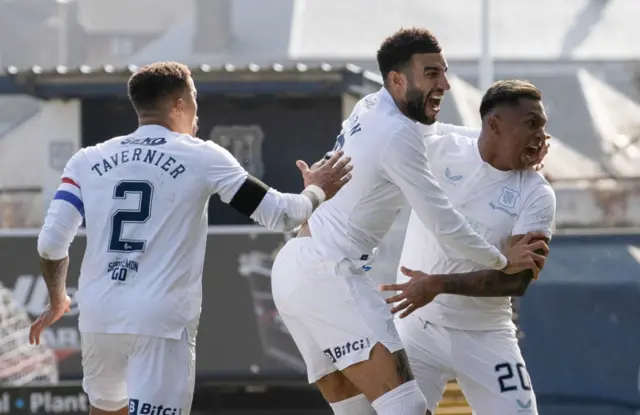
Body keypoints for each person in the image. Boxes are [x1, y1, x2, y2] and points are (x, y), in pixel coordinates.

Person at [28, 61, 353, 415]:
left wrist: (59, 298)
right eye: (195, 99)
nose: (198, 111)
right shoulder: (202, 155)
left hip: (99, 316)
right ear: (180, 105)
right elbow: (281, 214)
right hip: (161, 322)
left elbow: (50, 244)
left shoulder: (87, 160)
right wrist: (317, 191)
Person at [270, 28, 548, 415]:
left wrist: (519, 141)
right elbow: (445, 226)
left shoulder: (370, 106)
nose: (445, 84)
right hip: (332, 273)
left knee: (358, 411)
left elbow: (450, 137)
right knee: (407, 407)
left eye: (444, 72)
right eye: (432, 73)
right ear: (398, 79)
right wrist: (502, 259)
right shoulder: (400, 134)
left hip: (294, 267)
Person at [382, 80, 555, 415]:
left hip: (486, 334)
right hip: (418, 326)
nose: (542, 137)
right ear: (495, 125)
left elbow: (514, 281)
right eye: (531, 125)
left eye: (543, 127)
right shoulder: (439, 149)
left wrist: (437, 284)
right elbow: (384, 131)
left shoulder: (537, 193)